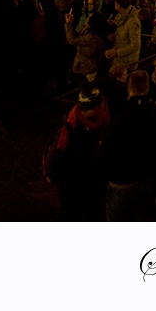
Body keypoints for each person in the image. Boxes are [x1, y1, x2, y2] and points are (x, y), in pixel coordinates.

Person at [99, 70, 156, 221]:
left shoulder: (119, 119)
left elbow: (106, 151)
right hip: (147, 179)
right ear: (147, 88)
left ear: (129, 88)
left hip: (123, 183)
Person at [44, 85, 110, 221]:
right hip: (72, 182)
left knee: (91, 213)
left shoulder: (101, 121)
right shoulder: (70, 127)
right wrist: (52, 174)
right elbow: (56, 154)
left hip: (90, 179)